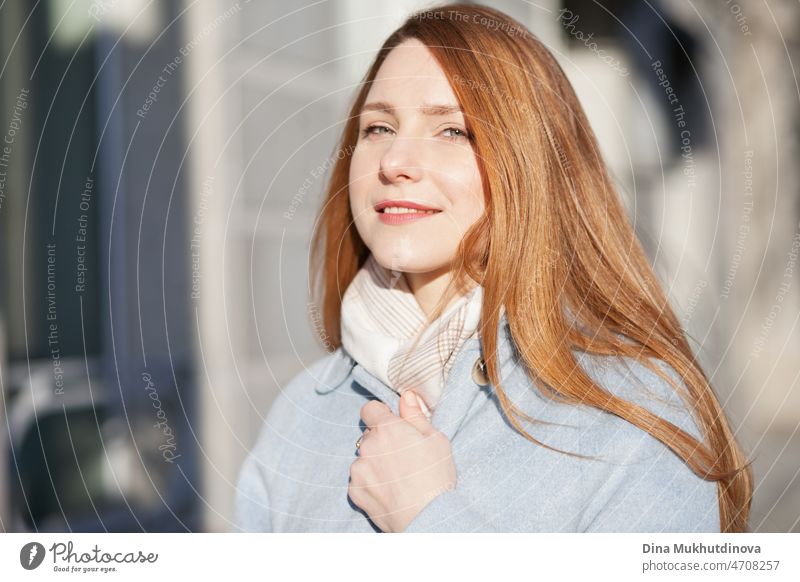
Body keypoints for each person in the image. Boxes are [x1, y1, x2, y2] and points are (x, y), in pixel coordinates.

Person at [233, 3, 752, 533]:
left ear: (530, 163)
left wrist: (431, 520)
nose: (393, 162)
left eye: (452, 131)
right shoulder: (300, 415)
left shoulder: (633, 413)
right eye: (379, 127)